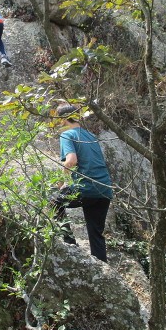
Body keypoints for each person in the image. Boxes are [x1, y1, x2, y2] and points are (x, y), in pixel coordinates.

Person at [51, 104, 114, 262]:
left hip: (86, 188)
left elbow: (71, 160)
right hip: (104, 189)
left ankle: (69, 243)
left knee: (54, 201)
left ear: (63, 119)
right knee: (96, 233)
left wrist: (59, 181)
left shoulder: (67, 135)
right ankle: (101, 265)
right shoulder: (91, 136)